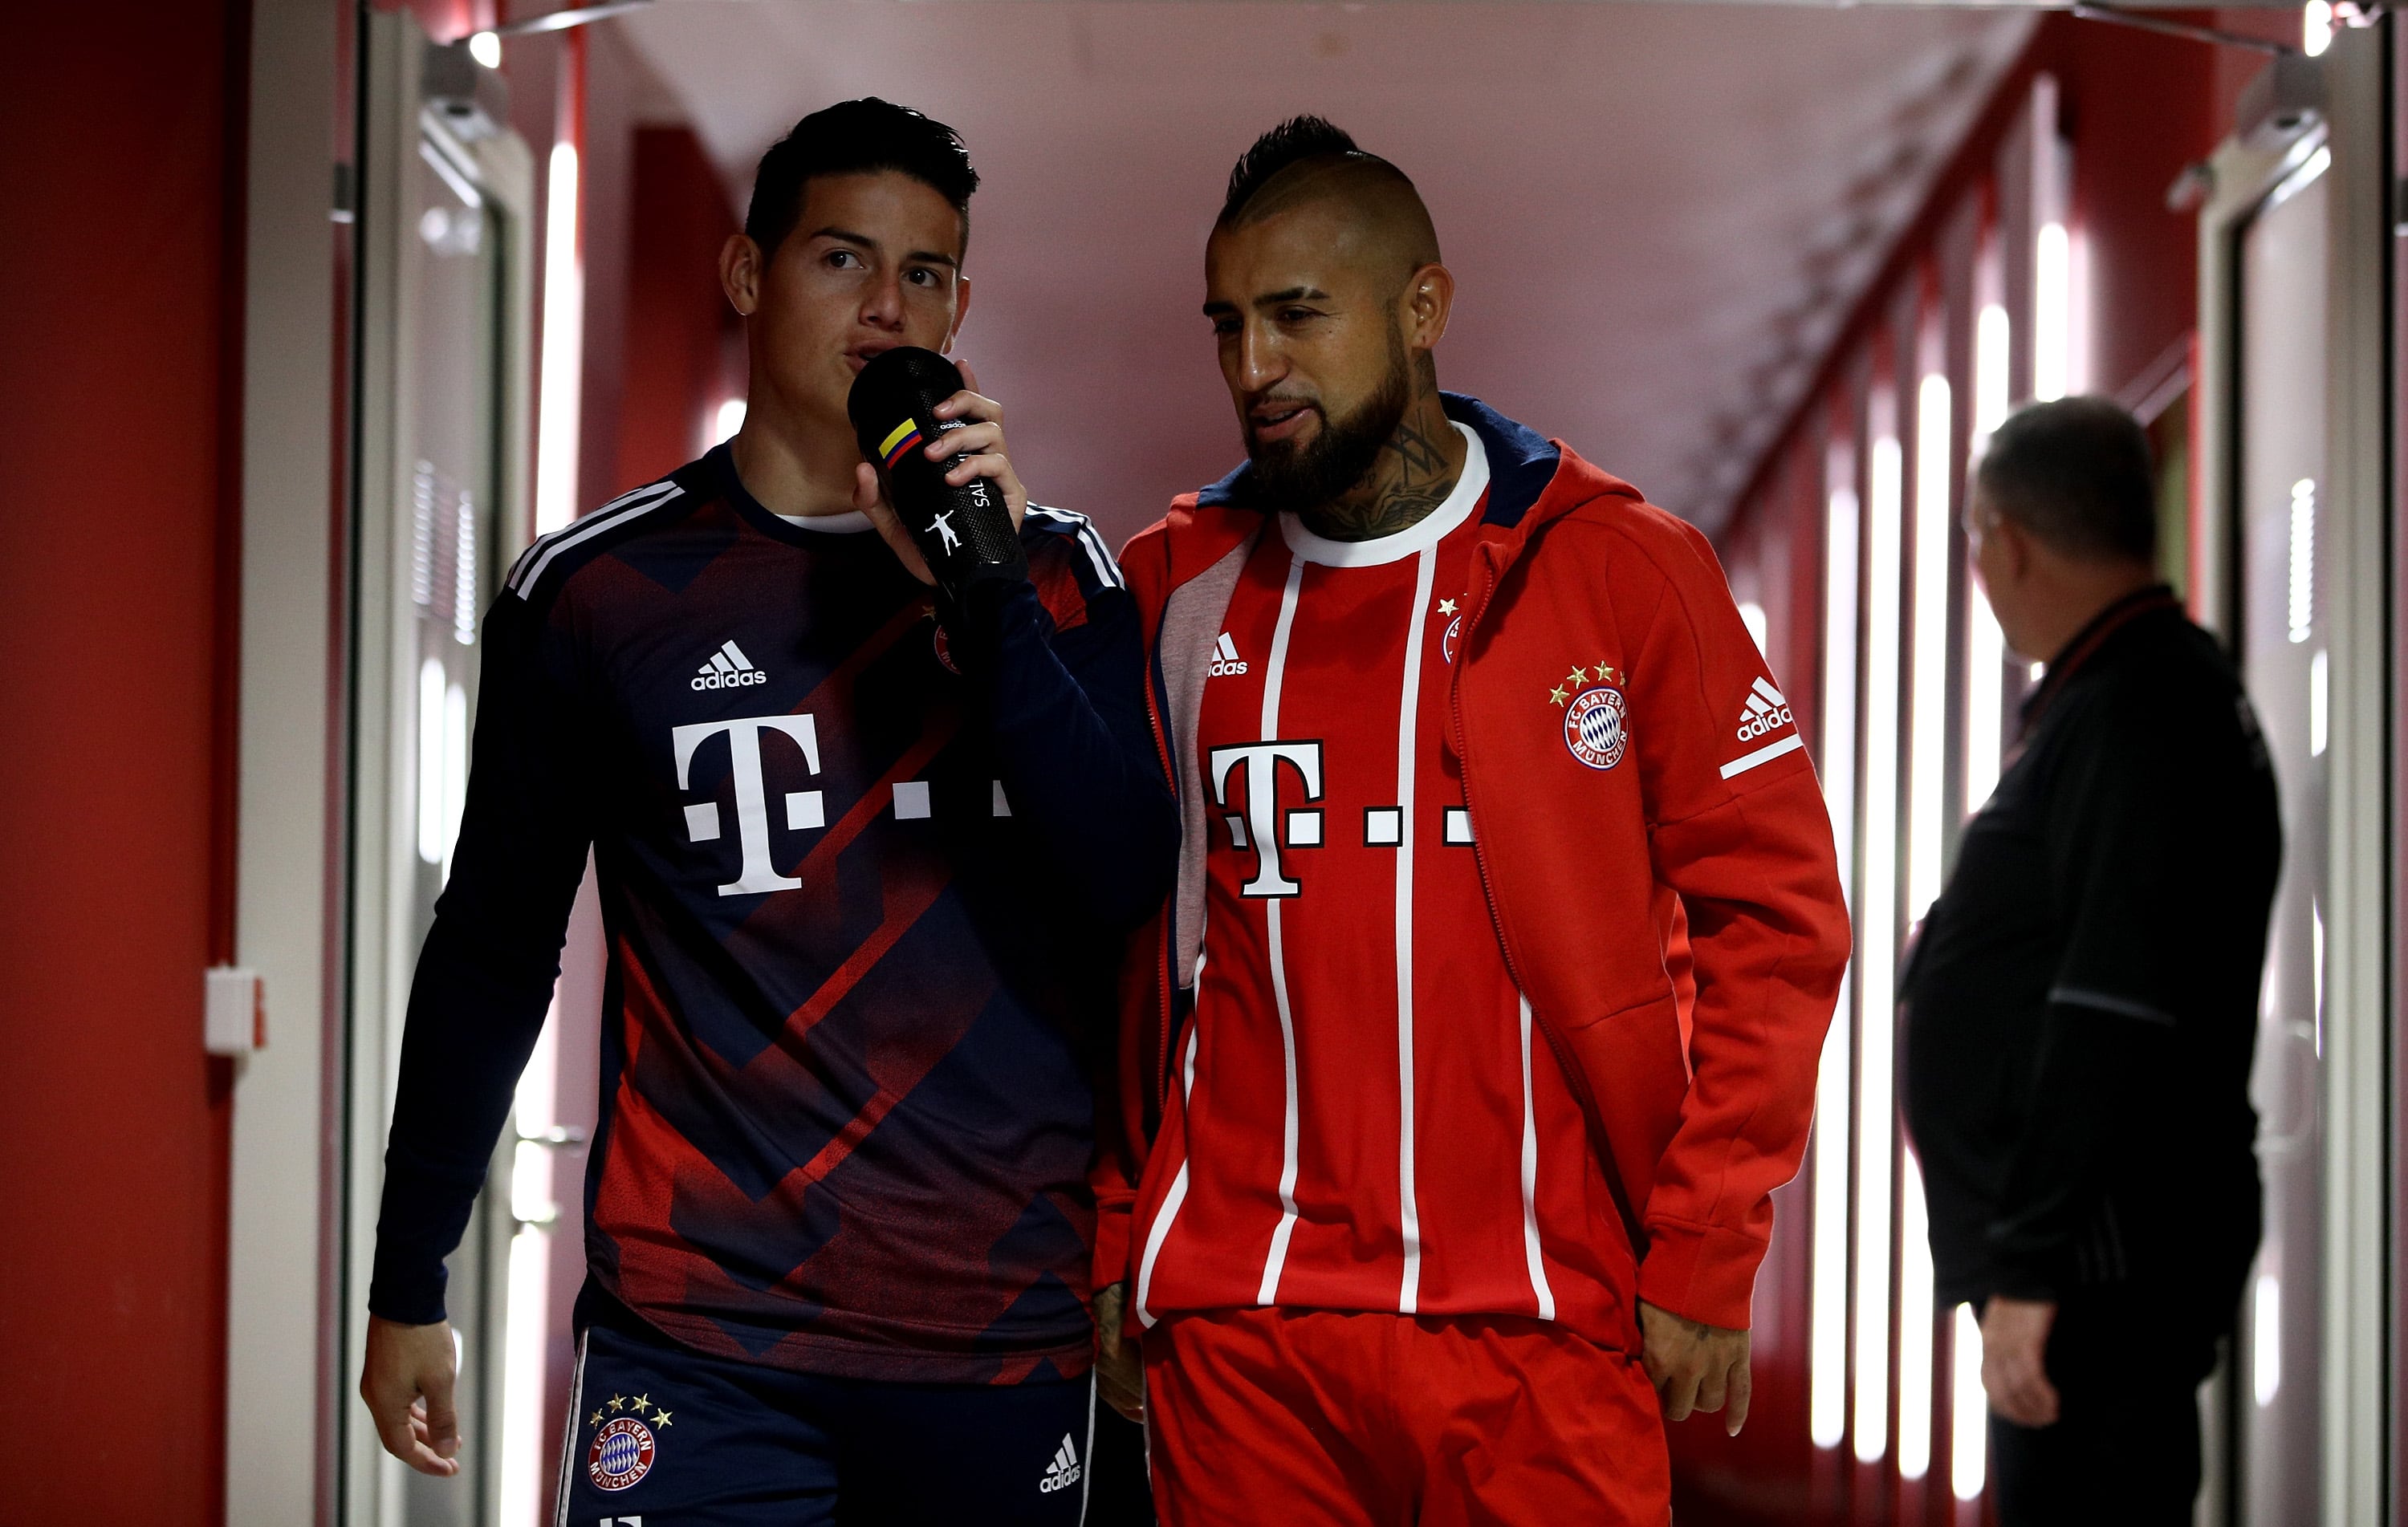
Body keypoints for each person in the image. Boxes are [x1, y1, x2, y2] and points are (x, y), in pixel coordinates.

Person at [358, 98, 1176, 1525]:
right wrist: (409, 1269)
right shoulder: (599, 592)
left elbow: (1125, 883)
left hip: (990, 1327)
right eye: (842, 260)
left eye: (926, 275)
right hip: (701, 1338)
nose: (886, 308)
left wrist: (980, 599)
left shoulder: (1053, 575)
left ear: (963, 306)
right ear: (748, 276)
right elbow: (494, 950)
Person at [1087, 117, 1851, 1524]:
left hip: (1546, 1322)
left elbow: (1784, 920)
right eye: (1231, 326)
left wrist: (1702, 1249)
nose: (1256, 368)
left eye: (1299, 316)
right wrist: (1117, 1235)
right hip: (1244, 1331)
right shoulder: (1173, 589)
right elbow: (1119, 945)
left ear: (1422, 309)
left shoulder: (1622, 570)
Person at [1902, 397, 2280, 1525]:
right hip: (2089, 1266)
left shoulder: (2141, 707)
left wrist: (2026, 1268)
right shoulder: (2130, 693)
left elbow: (2109, 1002)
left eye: (1975, 538)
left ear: (2004, 539)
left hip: (2092, 1273)